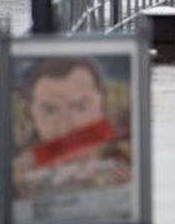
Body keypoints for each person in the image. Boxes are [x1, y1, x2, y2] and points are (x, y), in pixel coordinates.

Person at [14, 57, 131, 196]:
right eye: (49, 110)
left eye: (81, 107)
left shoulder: (133, 165)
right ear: (31, 113)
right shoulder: (16, 174)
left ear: (102, 104)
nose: (66, 127)